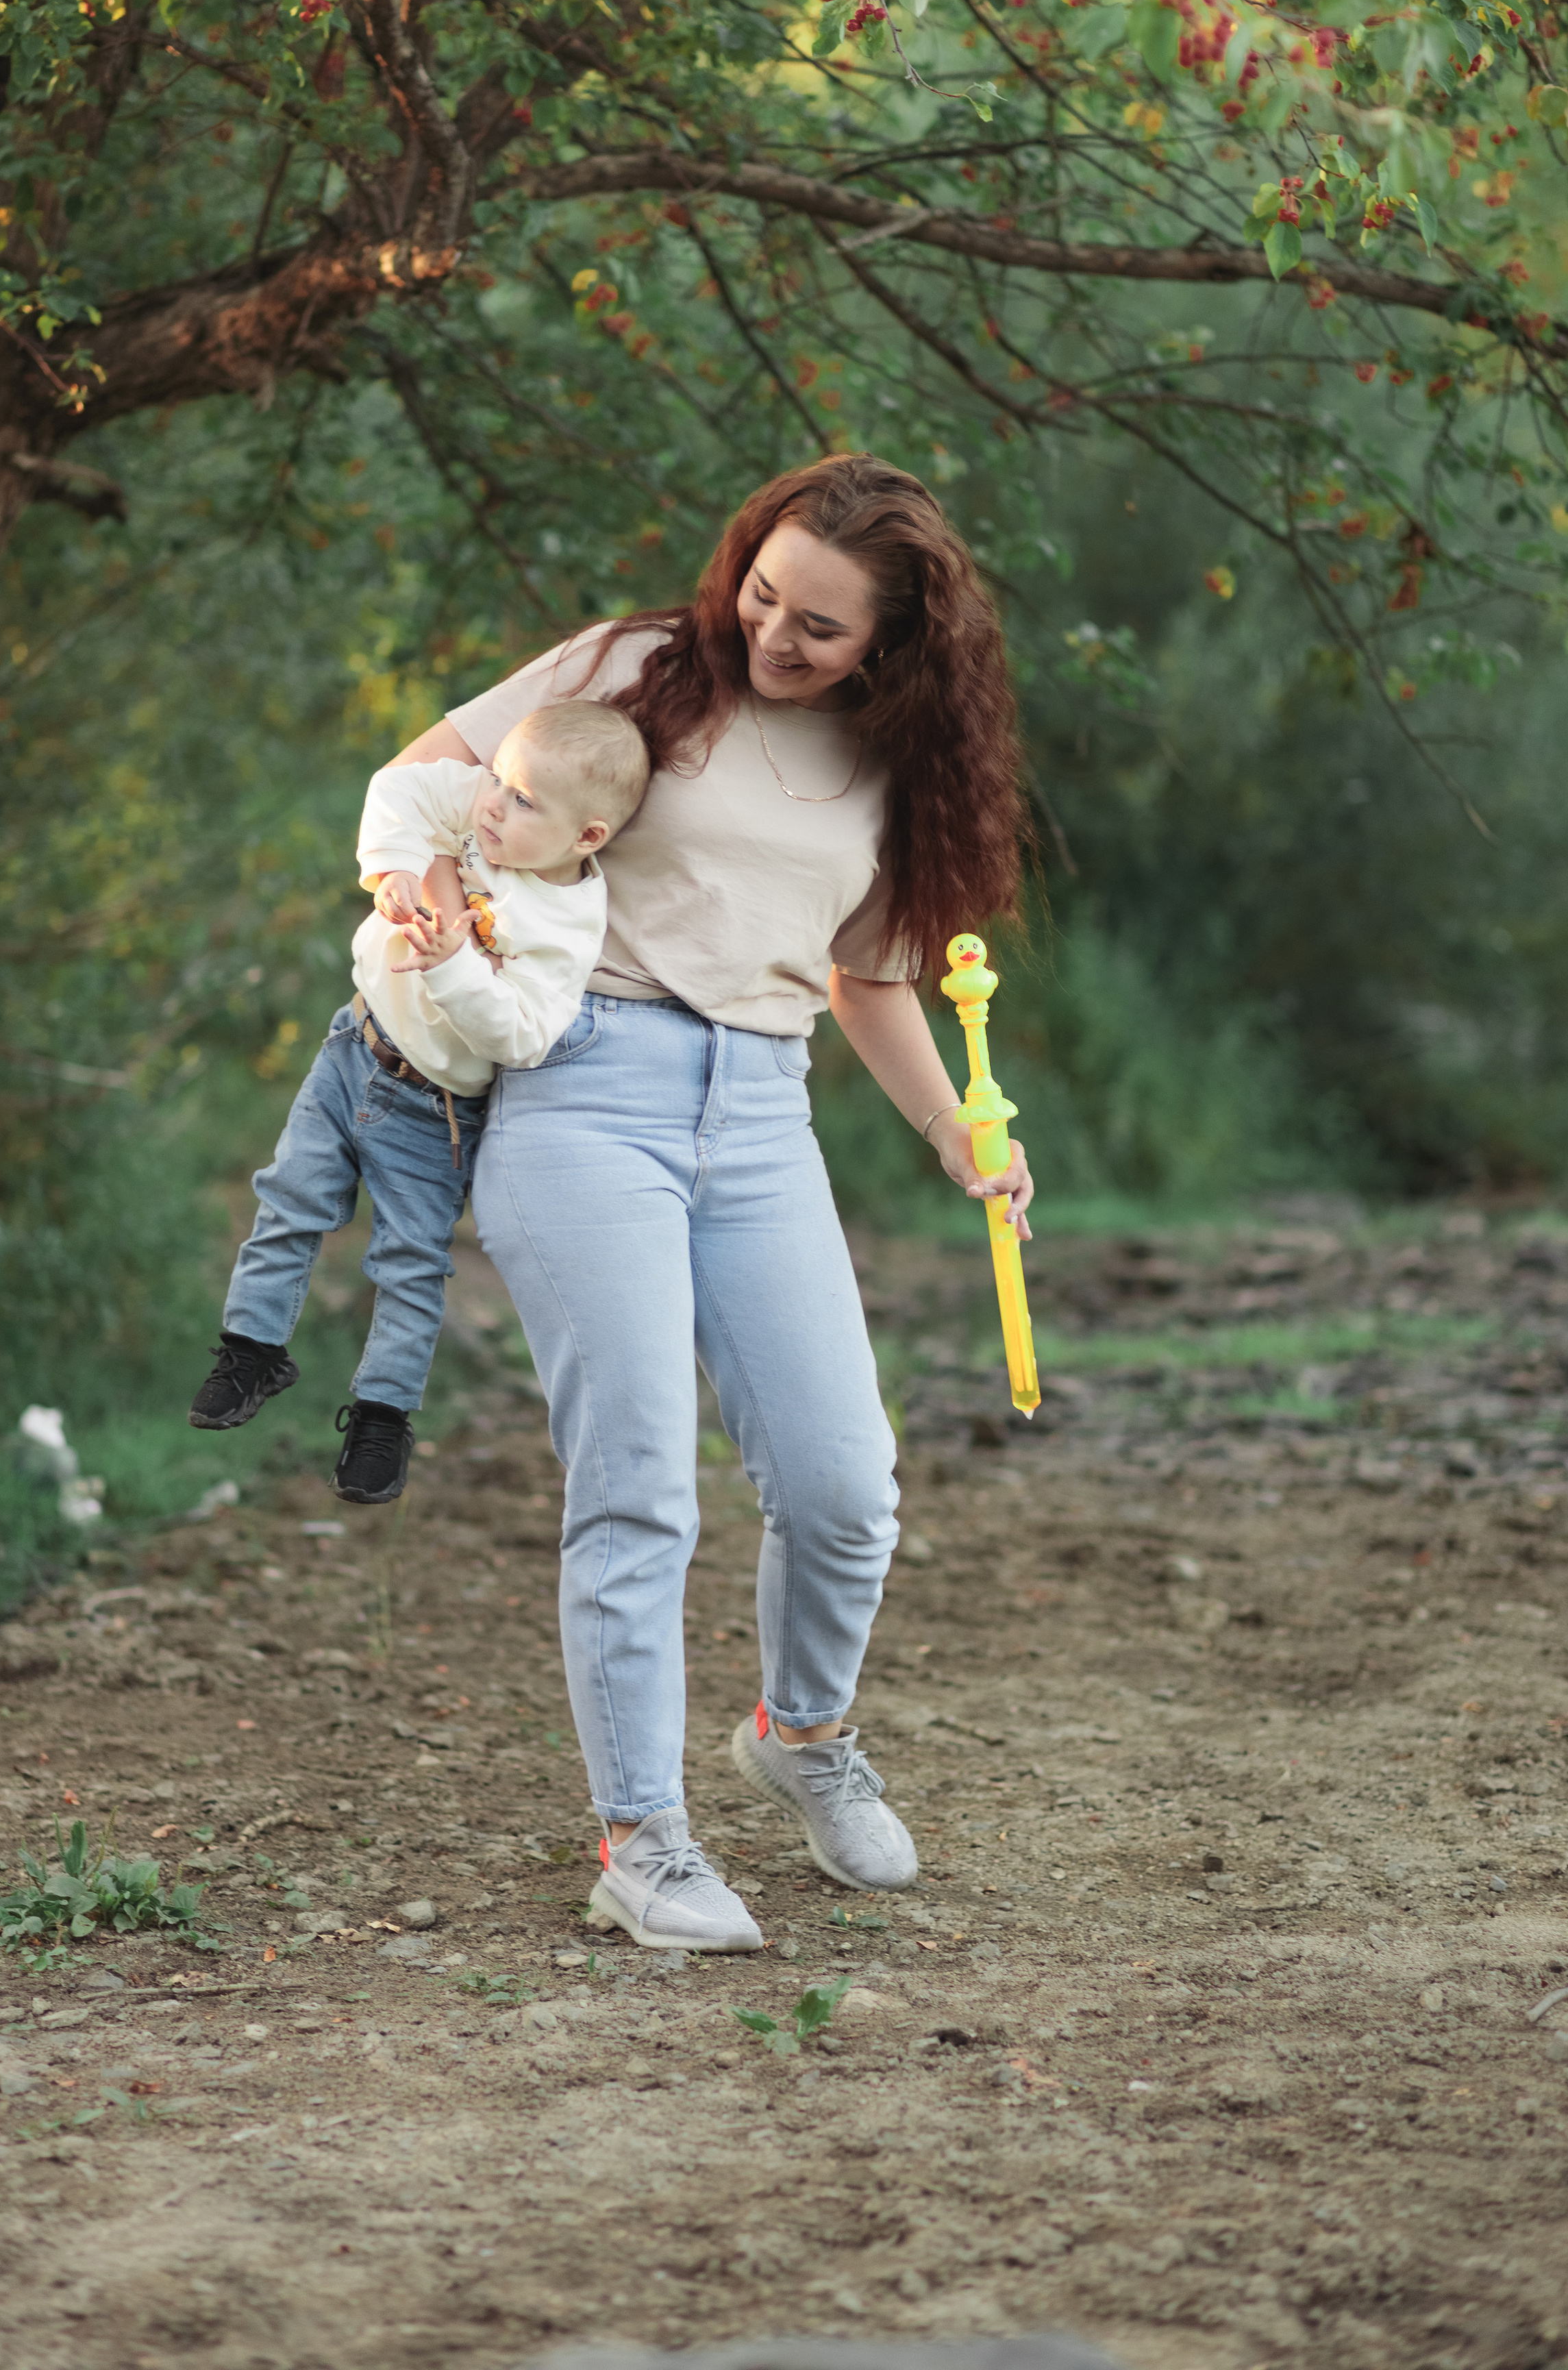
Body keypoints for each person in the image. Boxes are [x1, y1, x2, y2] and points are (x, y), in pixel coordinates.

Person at [385, 454, 1034, 1952]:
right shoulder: (631, 668)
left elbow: (867, 981)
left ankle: (800, 1735)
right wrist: (418, 893)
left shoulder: (890, 762)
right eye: (763, 593)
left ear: (892, 642)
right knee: (639, 1484)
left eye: (819, 625)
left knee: (843, 1484)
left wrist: (956, 1138)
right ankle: (642, 1840)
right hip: (581, 1090)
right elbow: (425, 779)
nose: (771, 634)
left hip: (759, 1110)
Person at [186, 702, 650, 1504]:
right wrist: (396, 866)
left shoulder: (567, 926)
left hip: (434, 1111)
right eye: (498, 781)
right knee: (289, 1198)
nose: (494, 805)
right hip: (354, 1047)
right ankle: (251, 1349)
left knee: (408, 1262)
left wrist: (452, 963)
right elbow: (398, 789)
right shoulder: (479, 804)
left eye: (523, 801)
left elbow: (524, 1036)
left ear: (587, 836)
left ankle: (382, 1416)